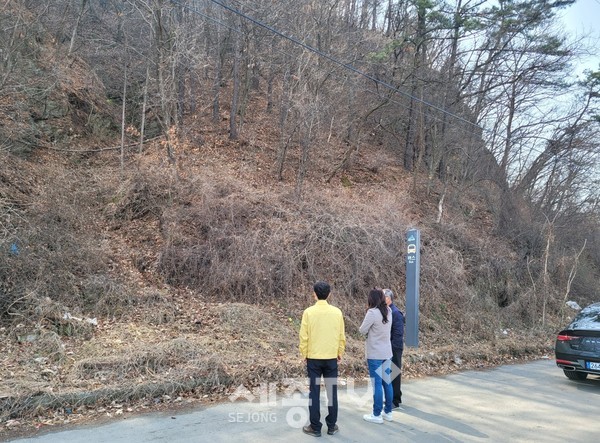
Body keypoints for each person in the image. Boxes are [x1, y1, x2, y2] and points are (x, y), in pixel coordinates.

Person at [299, 281, 346, 437]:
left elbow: (303, 336)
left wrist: (304, 354)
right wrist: (340, 352)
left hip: (313, 358)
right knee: (332, 392)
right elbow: (341, 335)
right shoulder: (337, 312)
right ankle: (331, 426)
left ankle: (315, 427)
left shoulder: (308, 312)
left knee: (314, 392)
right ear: (329, 294)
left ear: (314, 294)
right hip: (331, 357)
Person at [359, 288, 394, 424]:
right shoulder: (389, 311)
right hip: (387, 352)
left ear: (371, 299)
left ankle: (376, 414)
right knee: (387, 382)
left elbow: (362, 330)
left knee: (377, 384)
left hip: (375, 354)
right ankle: (388, 412)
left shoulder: (372, 313)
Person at [384, 288, 404, 407]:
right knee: (388, 373)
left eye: (383, 297)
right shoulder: (386, 311)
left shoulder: (396, 313)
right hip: (387, 347)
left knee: (394, 373)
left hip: (394, 348)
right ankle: (392, 396)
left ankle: (395, 400)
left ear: (388, 298)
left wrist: (392, 348)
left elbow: (398, 333)